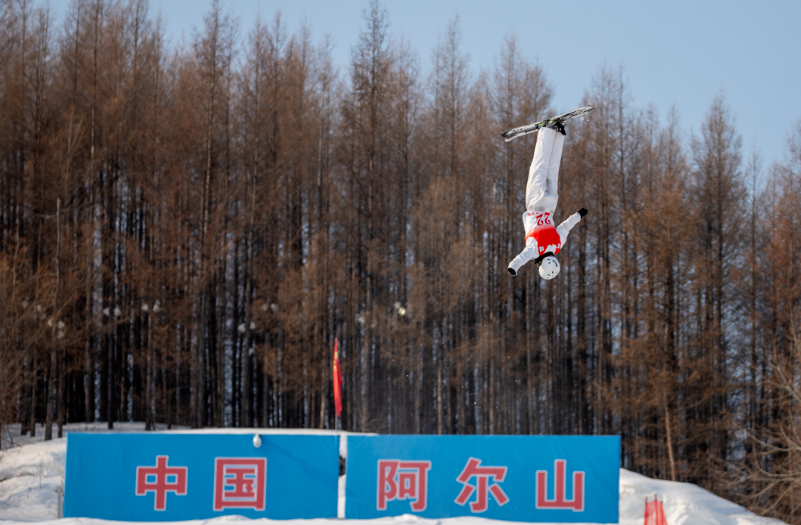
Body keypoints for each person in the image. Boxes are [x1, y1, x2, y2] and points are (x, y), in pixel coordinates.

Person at [507, 120, 587, 279]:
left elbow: (565, 227)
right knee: (539, 166)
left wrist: (578, 215)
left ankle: (559, 134)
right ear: (541, 264)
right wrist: (513, 268)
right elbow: (521, 258)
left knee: (552, 169)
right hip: (535, 203)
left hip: (551, 204)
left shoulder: (557, 245)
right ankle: (547, 130)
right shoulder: (535, 250)